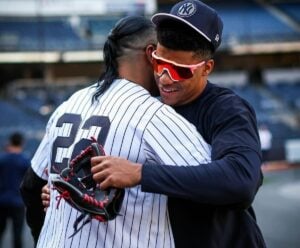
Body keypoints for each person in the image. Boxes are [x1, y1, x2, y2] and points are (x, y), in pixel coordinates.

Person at [20, 15, 211, 248]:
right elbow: (221, 185)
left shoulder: (68, 104)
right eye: (164, 55)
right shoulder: (152, 114)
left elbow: (31, 187)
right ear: (151, 54)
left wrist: (44, 236)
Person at [91, 1, 266, 247]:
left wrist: (140, 174)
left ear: (206, 68)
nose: (164, 78)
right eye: (159, 63)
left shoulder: (227, 109)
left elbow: (241, 182)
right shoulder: (144, 103)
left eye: (180, 71)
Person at [0, 132, 31, 248]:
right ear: (22, 143)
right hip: (18, 202)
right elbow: (29, 184)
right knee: (17, 235)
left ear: (10, 142)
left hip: (1, 201)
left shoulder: (2, 159)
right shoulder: (25, 161)